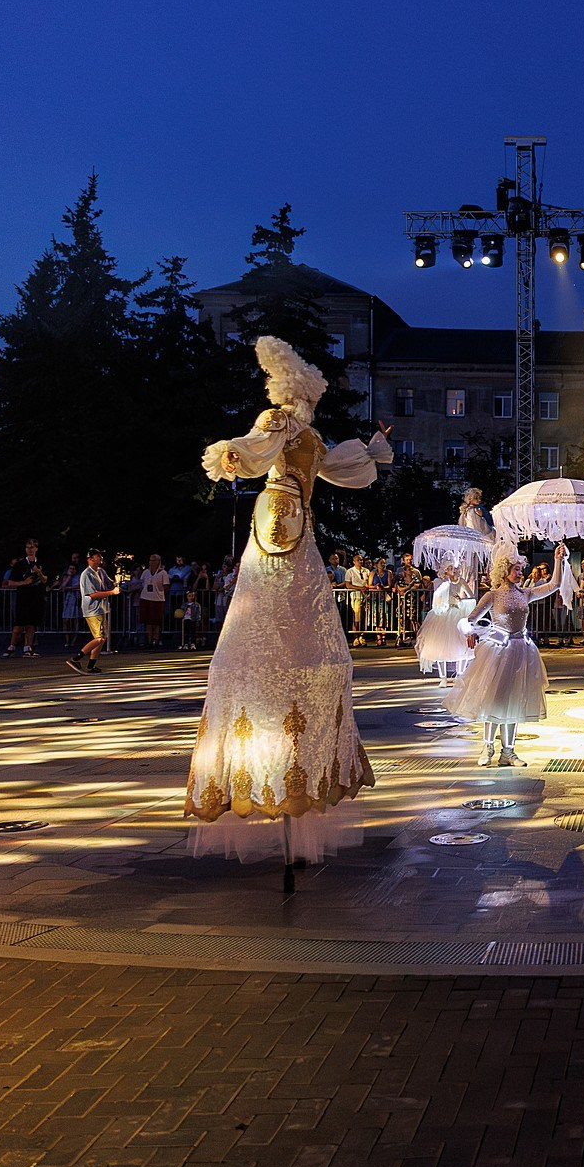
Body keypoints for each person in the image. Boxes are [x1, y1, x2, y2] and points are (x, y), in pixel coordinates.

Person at [184, 336, 393, 864]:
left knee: (306, 614)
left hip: (298, 520)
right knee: (275, 609)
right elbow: (255, 451)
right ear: (295, 388)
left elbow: (341, 469)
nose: (313, 398)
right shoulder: (278, 420)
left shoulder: (310, 434)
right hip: (280, 515)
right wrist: (230, 456)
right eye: (310, 390)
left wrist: (371, 449)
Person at [448, 541, 570, 767]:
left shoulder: (526, 593)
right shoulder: (493, 596)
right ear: (504, 572)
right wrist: (469, 632)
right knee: (494, 698)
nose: (520, 572)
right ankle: (487, 746)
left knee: (515, 700)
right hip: (497, 652)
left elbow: (555, 584)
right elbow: (469, 619)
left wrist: (558, 559)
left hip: (521, 650)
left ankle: (509, 751)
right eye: (516, 569)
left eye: (520, 569)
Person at [415, 562, 477, 684]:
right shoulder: (441, 583)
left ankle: (459, 675)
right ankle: (443, 677)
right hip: (443, 615)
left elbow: (472, 598)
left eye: (454, 568)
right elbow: (437, 599)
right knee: (440, 644)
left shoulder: (461, 582)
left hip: (458, 613)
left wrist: (462, 601)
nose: (452, 570)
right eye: (449, 568)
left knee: (461, 644)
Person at [67, 550, 118, 674]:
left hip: (101, 608)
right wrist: (112, 592)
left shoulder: (100, 571)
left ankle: (91, 665)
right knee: (99, 638)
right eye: (97, 556)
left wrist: (115, 583)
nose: (100, 558)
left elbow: (109, 583)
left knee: (102, 637)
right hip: (92, 609)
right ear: (90, 559)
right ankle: (76, 658)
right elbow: (93, 594)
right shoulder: (86, 574)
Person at [136, 553, 171, 649]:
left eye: (153, 560)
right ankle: (149, 640)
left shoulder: (163, 573)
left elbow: (166, 587)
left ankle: (156, 640)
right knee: (148, 621)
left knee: (156, 622)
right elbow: (141, 583)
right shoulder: (146, 572)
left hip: (158, 599)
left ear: (158, 562)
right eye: (150, 560)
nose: (151, 562)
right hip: (145, 598)